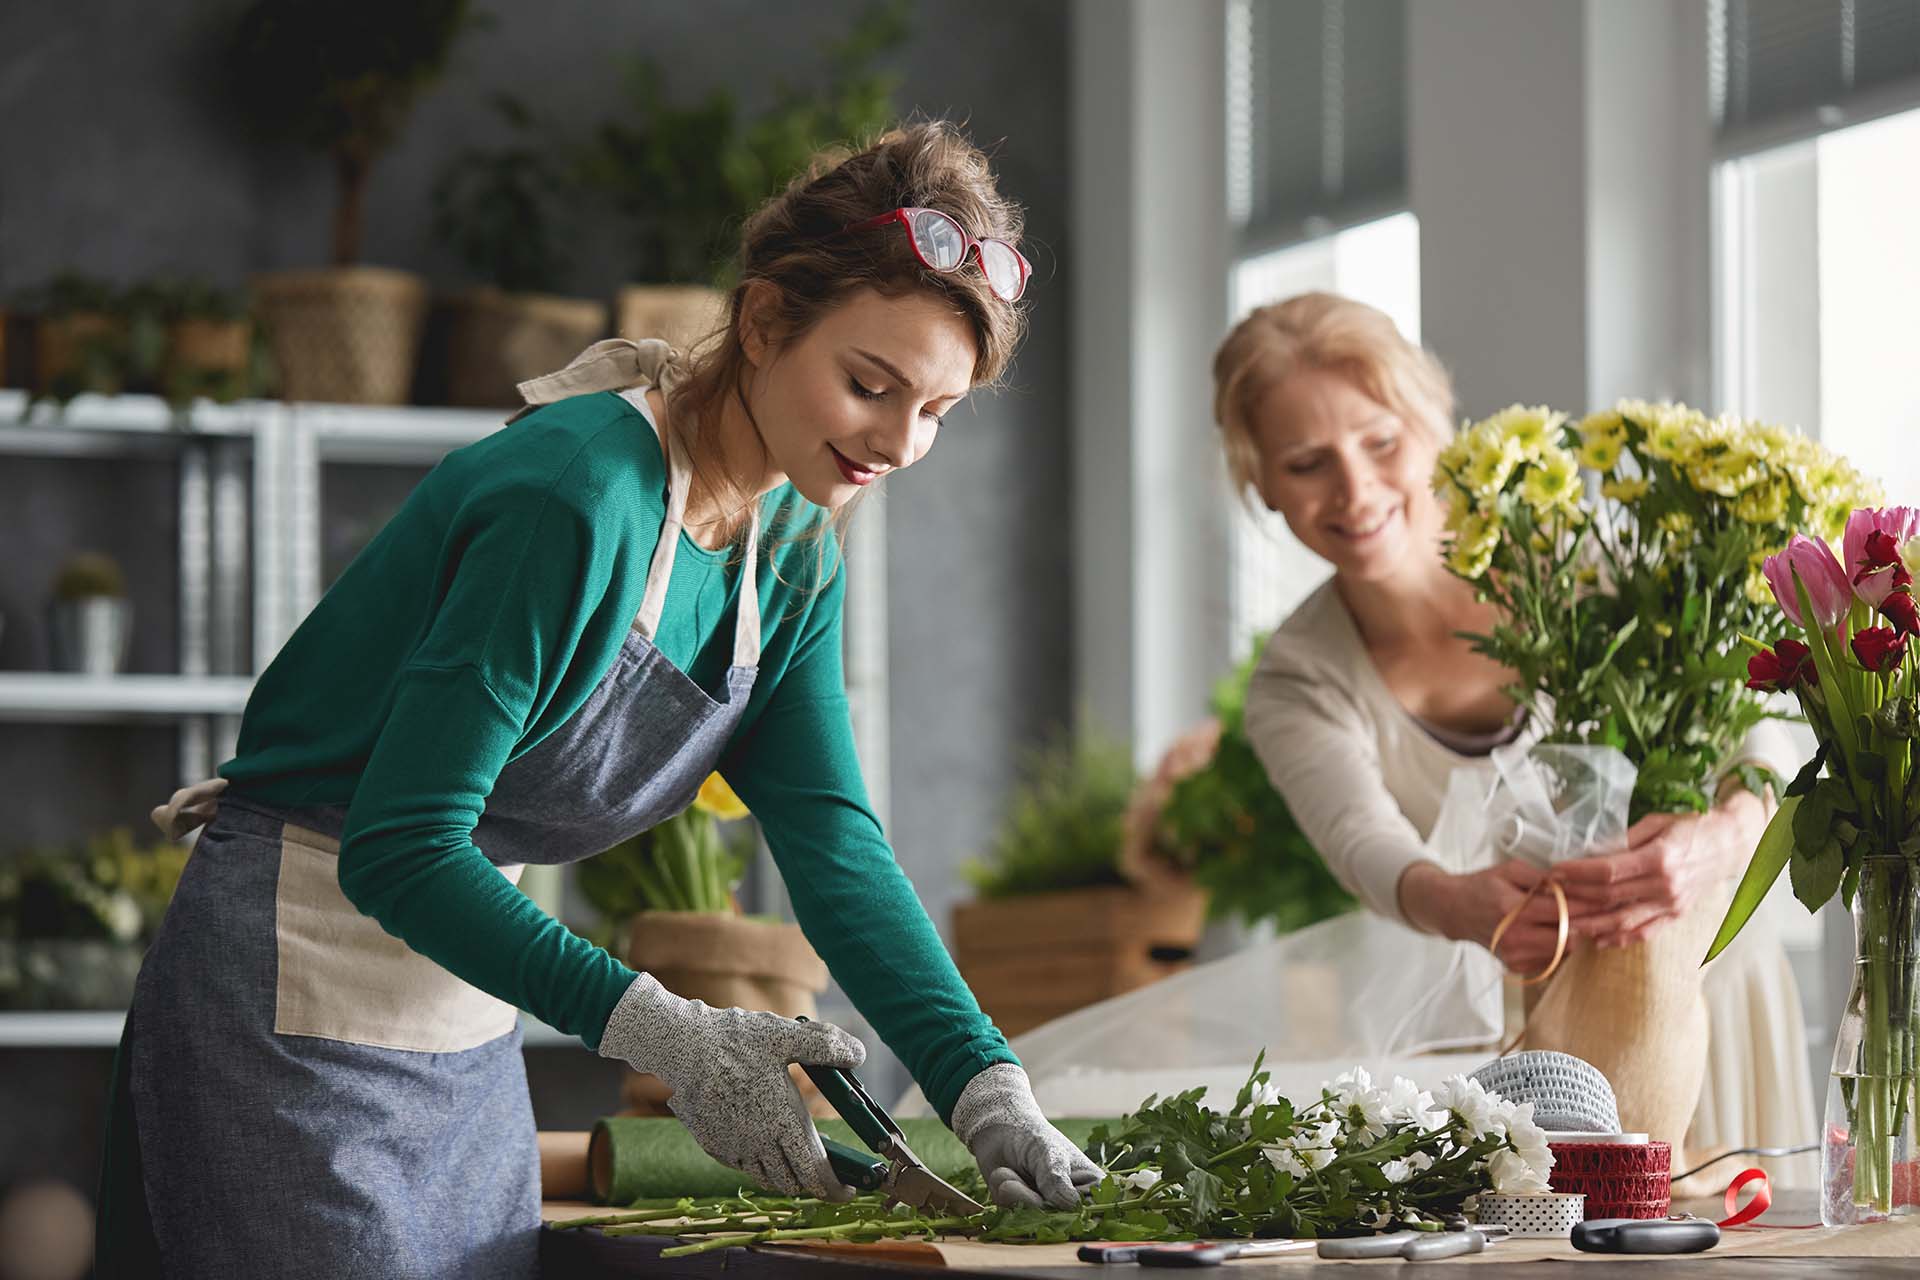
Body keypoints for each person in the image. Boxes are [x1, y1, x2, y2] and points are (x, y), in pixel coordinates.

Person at [97, 122, 1099, 1278]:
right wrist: (670, 1030)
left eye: (937, 409)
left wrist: (985, 1083)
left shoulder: (791, 553)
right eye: (870, 385)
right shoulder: (574, 497)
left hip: (464, 1011)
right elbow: (402, 847)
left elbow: (835, 844)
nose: (898, 442)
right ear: (767, 321)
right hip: (291, 973)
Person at [1214, 291, 1815, 1178]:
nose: (1354, 489)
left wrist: (1720, 839)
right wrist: (1457, 901)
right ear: (1261, 481)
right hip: (1536, 1018)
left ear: (1436, 427)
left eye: (1382, 442)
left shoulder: (1577, 553)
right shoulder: (1298, 678)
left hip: (1711, 975)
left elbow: (1756, 716)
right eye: (1307, 463)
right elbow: (1365, 844)